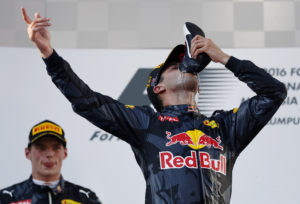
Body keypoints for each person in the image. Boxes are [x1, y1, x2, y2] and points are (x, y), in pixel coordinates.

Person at [21, 7, 287, 204]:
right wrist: (49, 55)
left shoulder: (224, 128)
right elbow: (87, 101)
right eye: (174, 66)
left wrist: (226, 59)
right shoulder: (147, 123)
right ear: (157, 87)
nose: (185, 66)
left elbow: (274, 92)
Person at [0, 119, 102, 204]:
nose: (49, 154)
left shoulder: (85, 197)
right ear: (28, 153)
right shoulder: (7, 197)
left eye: (56, 148)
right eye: (41, 147)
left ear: (65, 153)